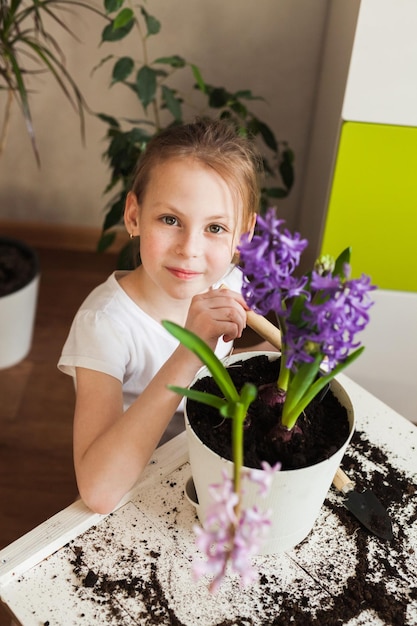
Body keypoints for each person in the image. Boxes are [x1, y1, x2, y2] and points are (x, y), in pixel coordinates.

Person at [58, 118, 267, 514]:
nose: (189, 248)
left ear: (244, 234)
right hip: (139, 486)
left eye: (216, 228)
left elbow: (223, 370)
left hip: (207, 466)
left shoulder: (228, 282)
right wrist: (191, 351)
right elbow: (98, 492)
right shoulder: (105, 325)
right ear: (134, 216)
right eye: (170, 220)